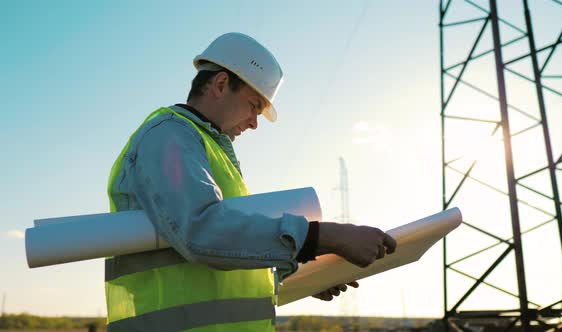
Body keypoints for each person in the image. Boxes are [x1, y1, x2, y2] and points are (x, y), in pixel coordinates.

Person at [105, 32, 396, 332]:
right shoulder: (168, 136)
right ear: (220, 85)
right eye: (253, 105)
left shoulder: (208, 152)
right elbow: (201, 231)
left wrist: (302, 275)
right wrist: (323, 236)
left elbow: (219, 262)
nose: (255, 122)